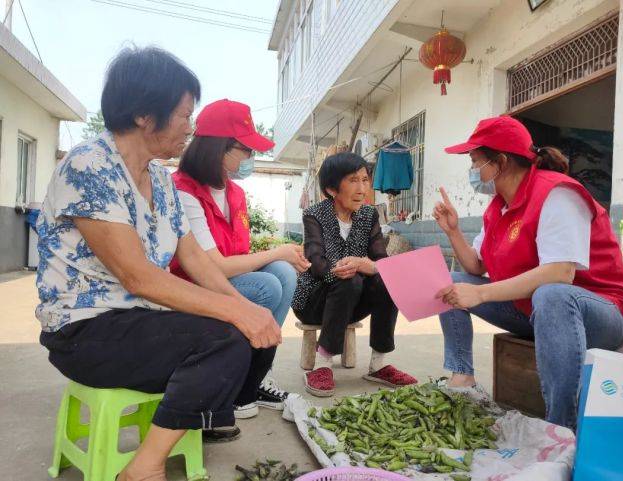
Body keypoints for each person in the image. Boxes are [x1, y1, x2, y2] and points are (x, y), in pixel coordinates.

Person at [36, 46, 281, 481]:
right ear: (144, 115)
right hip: (85, 331)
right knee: (226, 340)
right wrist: (236, 311)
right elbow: (138, 276)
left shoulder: (162, 182)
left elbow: (199, 263)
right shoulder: (90, 166)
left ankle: (185, 423)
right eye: (185, 116)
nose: (190, 127)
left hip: (140, 322)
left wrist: (250, 312)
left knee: (251, 334)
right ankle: (143, 469)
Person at [433, 116, 623, 429]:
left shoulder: (557, 194)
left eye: (475, 161)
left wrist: (482, 293)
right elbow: (476, 267)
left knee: (552, 294)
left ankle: (559, 428)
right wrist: (453, 232)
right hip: (536, 310)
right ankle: (463, 377)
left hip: (603, 313)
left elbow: (560, 274)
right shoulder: (497, 208)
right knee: (447, 282)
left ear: (500, 162)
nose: (472, 171)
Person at [169, 99, 310, 418]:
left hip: (226, 280)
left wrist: (282, 257)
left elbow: (240, 255)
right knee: (267, 286)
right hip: (193, 287)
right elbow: (211, 265)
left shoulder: (235, 193)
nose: (251, 158)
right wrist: (278, 250)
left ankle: (255, 378)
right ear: (220, 147)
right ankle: (239, 384)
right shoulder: (183, 191)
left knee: (284, 274)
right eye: (247, 150)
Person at [292, 152, 417, 397]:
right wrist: (343, 270)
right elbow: (316, 262)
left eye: (365, 180)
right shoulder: (314, 214)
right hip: (313, 301)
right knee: (349, 279)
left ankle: (378, 365)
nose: (362, 189)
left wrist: (366, 265)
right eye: (353, 180)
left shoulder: (369, 215)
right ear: (331, 189)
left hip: (352, 299)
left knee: (386, 279)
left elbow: (381, 261)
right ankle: (322, 364)